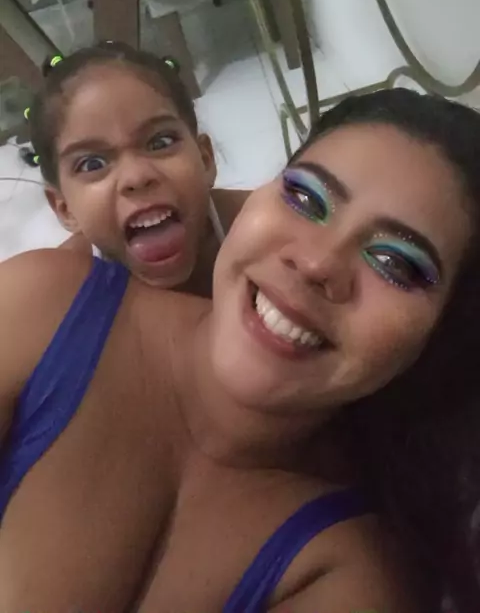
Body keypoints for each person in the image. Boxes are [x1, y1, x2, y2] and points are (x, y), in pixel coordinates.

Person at [1, 88, 480, 613]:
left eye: (397, 263)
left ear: (441, 333)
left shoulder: (358, 575)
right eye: (305, 198)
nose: (317, 263)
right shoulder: (40, 308)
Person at [25, 41, 247, 294]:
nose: (137, 177)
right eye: (92, 164)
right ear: (64, 208)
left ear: (205, 159)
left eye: (160, 142)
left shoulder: (263, 230)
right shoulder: (63, 292)